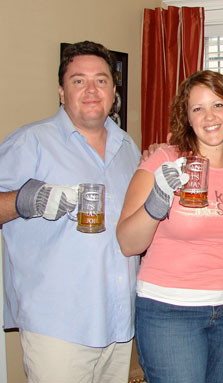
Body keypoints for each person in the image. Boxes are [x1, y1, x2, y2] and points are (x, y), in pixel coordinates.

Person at [0, 41, 140, 382]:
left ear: (113, 91)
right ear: (62, 92)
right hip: (57, 328)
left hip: (118, 325)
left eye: (102, 80)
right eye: (79, 81)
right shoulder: (30, 142)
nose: (92, 90)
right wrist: (25, 200)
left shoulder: (128, 148)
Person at [116, 70, 223, 383]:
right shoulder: (163, 159)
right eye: (197, 109)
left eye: (217, 105)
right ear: (187, 118)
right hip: (170, 308)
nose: (209, 117)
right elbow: (127, 242)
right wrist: (158, 199)